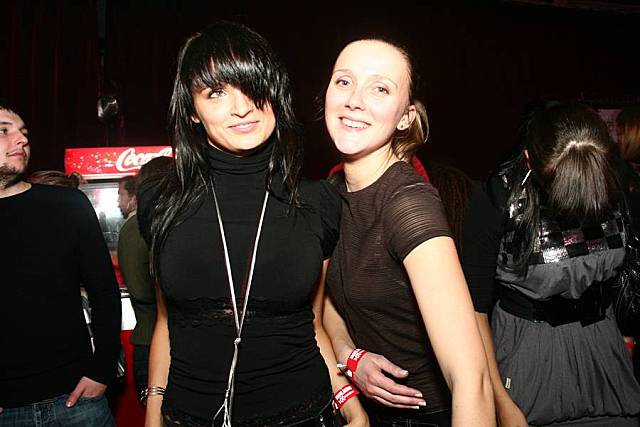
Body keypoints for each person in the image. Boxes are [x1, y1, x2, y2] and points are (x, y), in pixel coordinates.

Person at [137, 22, 367, 426]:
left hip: (303, 416)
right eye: (216, 93)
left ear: (274, 94)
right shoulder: (161, 201)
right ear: (191, 111)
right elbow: (166, 323)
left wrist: (352, 407)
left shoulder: (317, 202)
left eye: (251, 86)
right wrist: (153, 414)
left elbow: (313, 324)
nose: (241, 107)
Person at [322, 39, 494, 427]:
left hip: (426, 417)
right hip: (369, 412)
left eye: (380, 89)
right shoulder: (329, 193)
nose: (354, 100)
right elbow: (325, 302)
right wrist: (351, 356)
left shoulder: (408, 204)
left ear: (405, 117)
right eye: (344, 82)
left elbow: (471, 379)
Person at [462, 102, 640, 426]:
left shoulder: (615, 181)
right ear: (529, 160)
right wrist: (500, 401)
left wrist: (626, 338)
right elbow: (474, 310)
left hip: (605, 351)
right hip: (529, 356)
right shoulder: (498, 197)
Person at [0, 100, 122, 425]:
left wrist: (102, 370)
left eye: (23, 132)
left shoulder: (67, 204)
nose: (21, 139)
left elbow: (104, 292)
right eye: (4, 131)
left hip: (77, 400)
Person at [118, 156, 173, 399]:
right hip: (152, 343)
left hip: (167, 343)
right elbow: (140, 289)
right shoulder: (138, 227)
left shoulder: (173, 223)